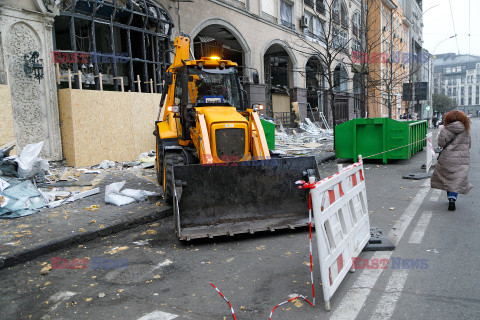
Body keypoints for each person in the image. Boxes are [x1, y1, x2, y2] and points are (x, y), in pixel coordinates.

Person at [431, 110, 473, 211]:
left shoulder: (445, 130)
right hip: (462, 158)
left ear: (448, 119)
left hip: (447, 158)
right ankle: (452, 198)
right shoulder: (466, 130)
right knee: (457, 179)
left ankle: (450, 197)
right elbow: (469, 145)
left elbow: (441, 143)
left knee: (448, 178)